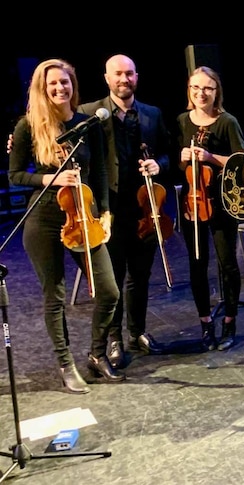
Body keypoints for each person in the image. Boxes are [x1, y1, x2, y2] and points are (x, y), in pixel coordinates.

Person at [9, 59, 124, 392]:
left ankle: (96, 352)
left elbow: (101, 172)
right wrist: (50, 178)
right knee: (54, 296)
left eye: (65, 82)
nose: (60, 88)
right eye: (53, 84)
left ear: (73, 85)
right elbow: (15, 175)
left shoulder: (89, 124)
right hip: (43, 218)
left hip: (83, 218)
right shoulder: (27, 127)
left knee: (109, 291)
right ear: (42, 89)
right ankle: (65, 363)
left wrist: (104, 213)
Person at [78, 54, 171, 368]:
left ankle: (138, 331)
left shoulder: (152, 114)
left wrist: (160, 164)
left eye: (129, 74)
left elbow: (168, 153)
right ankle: (114, 338)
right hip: (109, 209)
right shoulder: (89, 113)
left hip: (144, 207)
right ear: (106, 78)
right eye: (118, 74)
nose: (124, 79)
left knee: (141, 276)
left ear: (136, 76)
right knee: (114, 279)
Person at [176, 66, 244, 352]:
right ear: (189, 91)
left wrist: (209, 156)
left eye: (207, 88)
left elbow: (241, 162)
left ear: (216, 92)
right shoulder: (182, 121)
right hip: (192, 204)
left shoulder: (226, 122)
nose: (201, 93)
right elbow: (178, 166)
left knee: (227, 264)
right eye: (195, 88)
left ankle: (229, 321)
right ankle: (206, 323)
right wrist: (182, 158)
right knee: (196, 264)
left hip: (222, 204)